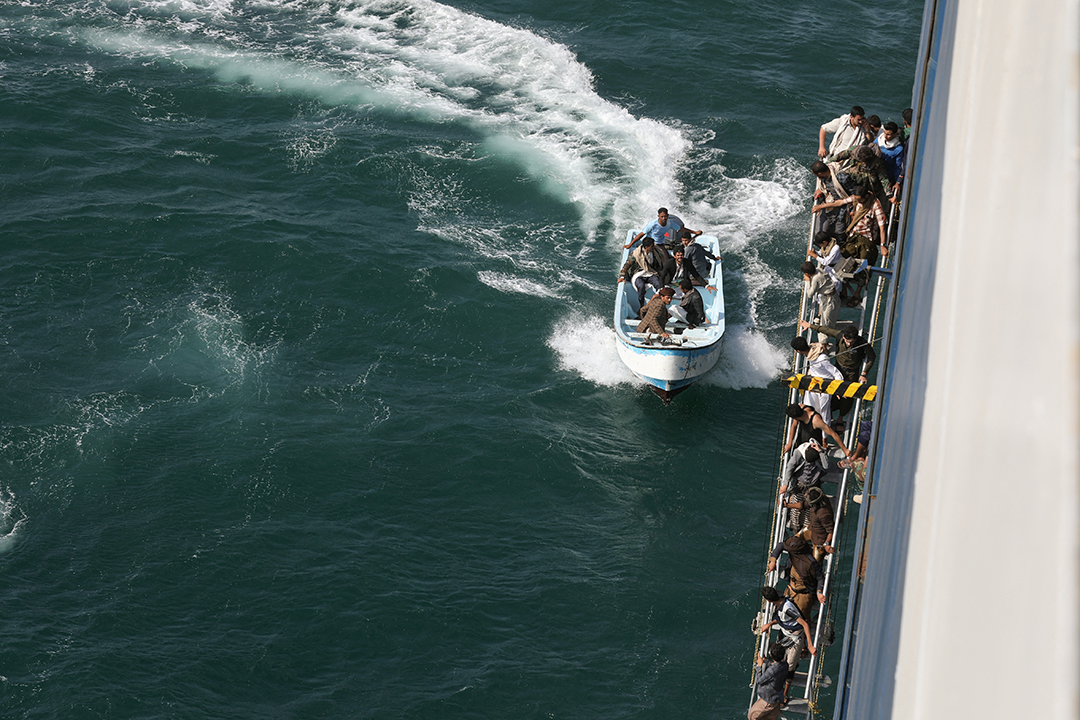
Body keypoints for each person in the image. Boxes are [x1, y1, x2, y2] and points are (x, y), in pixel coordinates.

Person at [758, 585, 816, 701]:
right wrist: (769, 624)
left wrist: (810, 645)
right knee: (778, 657)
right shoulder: (778, 604)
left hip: (795, 639)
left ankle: (785, 694)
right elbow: (781, 618)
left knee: (790, 667)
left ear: (768, 600)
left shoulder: (787, 608)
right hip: (784, 634)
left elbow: (804, 624)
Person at [767, 535, 826, 622]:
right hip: (791, 589)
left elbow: (820, 577)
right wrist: (773, 560)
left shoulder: (810, 563)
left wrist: (819, 592)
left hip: (804, 594)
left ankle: (804, 634)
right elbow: (781, 545)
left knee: (802, 617)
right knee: (785, 611)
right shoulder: (795, 552)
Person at [782, 403, 851, 458]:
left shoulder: (816, 420)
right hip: (801, 441)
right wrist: (790, 443)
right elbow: (794, 426)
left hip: (813, 446)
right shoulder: (801, 407)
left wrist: (845, 450)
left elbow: (833, 434)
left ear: (795, 417)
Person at [618, 237, 667, 308]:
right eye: (652, 246)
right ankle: (642, 305)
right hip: (638, 274)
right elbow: (627, 265)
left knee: (658, 283)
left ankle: (659, 304)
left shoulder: (655, 251)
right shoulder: (636, 254)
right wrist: (622, 276)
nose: (654, 247)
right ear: (646, 247)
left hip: (650, 272)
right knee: (641, 286)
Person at [626, 207, 701, 250]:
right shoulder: (652, 224)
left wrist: (695, 232)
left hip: (660, 244)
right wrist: (630, 244)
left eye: (665, 216)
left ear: (668, 215)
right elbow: (641, 234)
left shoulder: (670, 223)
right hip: (650, 244)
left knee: (666, 260)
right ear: (658, 216)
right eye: (662, 216)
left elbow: (681, 229)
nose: (664, 218)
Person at [810, 161, 851, 241]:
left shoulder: (841, 178)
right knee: (818, 235)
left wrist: (820, 206)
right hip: (829, 208)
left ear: (820, 173)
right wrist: (821, 189)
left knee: (839, 234)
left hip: (843, 209)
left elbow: (853, 195)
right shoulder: (823, 179)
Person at [748, 645, 788, 720]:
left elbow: (760, 681)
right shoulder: (785, 665)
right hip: (777, 698)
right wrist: (765, 660)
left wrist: (759, 666)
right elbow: (775, 666)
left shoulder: (771, 670)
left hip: (768, 701)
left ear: (771, 655)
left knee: (752, 716)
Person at [801, 261, 837, 336]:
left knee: (825, 324)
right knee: (827, 319)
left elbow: (810, 294)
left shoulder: (815, 279)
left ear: (807, 273)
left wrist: (808, 281)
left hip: (829, 300)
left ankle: (824, 343)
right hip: (832, 295)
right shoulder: (819, 269)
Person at [875, 121, 906, 193]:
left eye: (888, 134)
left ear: (895, 134)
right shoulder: (878, 140)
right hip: (874, 172)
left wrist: (897, 183)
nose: (885, 136)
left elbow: (897, 166)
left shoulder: (898, 149)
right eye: (885, 133)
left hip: (886, 176)